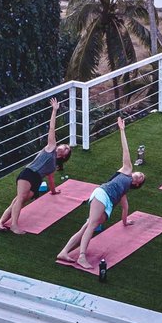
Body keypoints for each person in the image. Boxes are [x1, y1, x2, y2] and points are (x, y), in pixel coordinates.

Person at [56, 116, 145, 270]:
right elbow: (125, 150)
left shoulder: (124, 192)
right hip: (102, 193)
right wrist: (122, 130)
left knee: (86, 227)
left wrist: (126, 222)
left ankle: (64, 252)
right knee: (91, 225)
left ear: (137, 184)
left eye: (142, 178)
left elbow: (125, 209)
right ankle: (82, 257)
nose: (140, 174)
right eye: (140, 173)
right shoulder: (126, 170)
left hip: (107, 204)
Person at [0, 98, 72, 233]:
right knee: (19, 199)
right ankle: (14, 225)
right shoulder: (51, 147)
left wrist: (54, 191)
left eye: (66, 148)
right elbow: (52, 128)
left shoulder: (54, 164)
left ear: (65, 156)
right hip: (29, 173)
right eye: (64, 145)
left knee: (18, 201)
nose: (63, 146)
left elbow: (51, 178)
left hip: (36, 181)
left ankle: (0, 222)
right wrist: (54, 110)